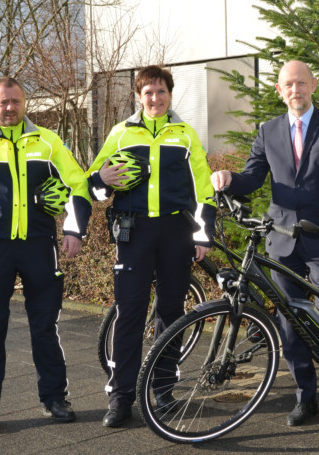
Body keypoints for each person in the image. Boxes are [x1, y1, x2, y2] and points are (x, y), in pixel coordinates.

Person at [210, 60, 319, 434]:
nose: (295, 90)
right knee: (289, 323)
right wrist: (230, 177)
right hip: (281, 241)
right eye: (288, 85)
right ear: (279, 91)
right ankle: (305, 396)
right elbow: (252, 178)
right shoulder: (268, 131)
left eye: (301, 83)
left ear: (313, 85)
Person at [0, 76, 92, 435]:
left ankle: (54, 398)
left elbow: (78, 185)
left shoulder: (48, 141)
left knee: (45, 328)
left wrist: (73, 229)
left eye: (15, 101)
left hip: (40, 246)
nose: (9, 107)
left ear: (26, 104)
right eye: (2, 102)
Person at [86, 65, 216, 428]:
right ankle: (121, 396)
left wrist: (202, 236)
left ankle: (162, 389)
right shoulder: (121, 133)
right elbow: (94, 187)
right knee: (129, 313)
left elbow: (203, 191)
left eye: (161, 92)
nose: (155, 99)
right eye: (148, 93)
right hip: (134, 232)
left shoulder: (185, 135)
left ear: (169, 94)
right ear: (138, 97)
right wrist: (101, 179)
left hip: (176, 231)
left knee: (171, 312)